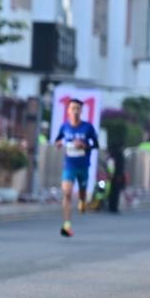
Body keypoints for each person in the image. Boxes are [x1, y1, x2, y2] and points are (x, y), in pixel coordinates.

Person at [55, 98, 98, 237]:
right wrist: (59, 144)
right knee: (67, 193)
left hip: (83, 165)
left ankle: (82, 201)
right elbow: (58, 139)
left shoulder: (88, 127)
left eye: (77, 108)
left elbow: (96, 145)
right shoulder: (64, 127)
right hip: (69, 165)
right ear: (68, 110)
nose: (75, 111)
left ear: (81, 111)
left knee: (82, 192)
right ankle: (67, 225)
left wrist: (84, 145)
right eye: (72, 108)